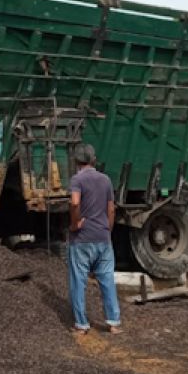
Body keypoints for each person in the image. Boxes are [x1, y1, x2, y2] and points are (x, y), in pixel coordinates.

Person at [67, 143, 121, 334]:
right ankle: (113, 322)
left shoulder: (77, 180)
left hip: (82, 239)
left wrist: (74, 224)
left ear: (76, 162)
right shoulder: (105, 180)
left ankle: (82, 324)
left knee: (78, 281)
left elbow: (74, 203)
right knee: (107, 280)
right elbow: (111, 209)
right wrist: (108, 229)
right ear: (93, 160)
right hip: (103, 237)